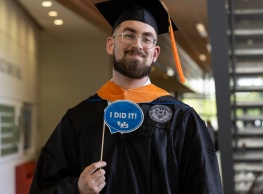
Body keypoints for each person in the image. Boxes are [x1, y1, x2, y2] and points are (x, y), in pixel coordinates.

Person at [29, 0, 223, 193]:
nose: (137, 45)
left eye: (147, 39)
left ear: (155, 53)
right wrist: (76, 188)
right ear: (110, 45)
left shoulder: (181, 118)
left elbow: (205, 187)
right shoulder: (79, 118)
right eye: (128, 35)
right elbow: (44, 186)